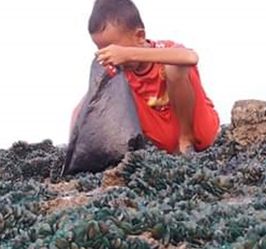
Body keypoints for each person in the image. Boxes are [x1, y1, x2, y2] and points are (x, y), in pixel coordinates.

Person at [72, 0, 220, 155]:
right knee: (95, 99)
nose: (113, 56)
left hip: (199, 130)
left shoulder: (166, 49)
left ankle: (186, 139)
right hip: (164, 144)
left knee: (174, 67)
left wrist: (127, 54)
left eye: (114, 49)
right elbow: (85, 107)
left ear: (140, 36)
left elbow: (190, 58)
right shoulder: (119, 72)